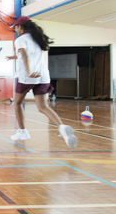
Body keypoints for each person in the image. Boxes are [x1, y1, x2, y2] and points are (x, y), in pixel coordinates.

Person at [7, 16, 77, 148]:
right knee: (43, 107)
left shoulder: (20, 40)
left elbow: (25, 55)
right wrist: (15, 57)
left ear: (21, 27)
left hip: (28, 76)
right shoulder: (37, 38)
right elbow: (31, 55)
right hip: (43, 76)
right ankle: (62, 128)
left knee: (17, 103)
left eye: (16, 27)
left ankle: (22, 132)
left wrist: (28, 71)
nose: (15, 30)